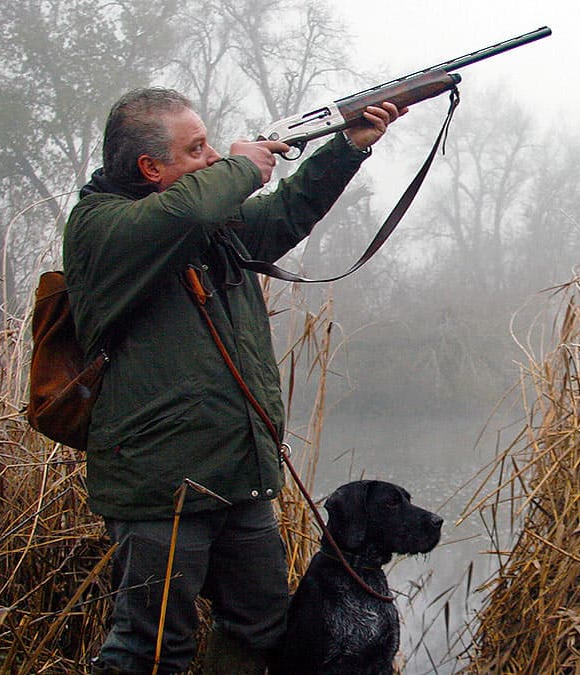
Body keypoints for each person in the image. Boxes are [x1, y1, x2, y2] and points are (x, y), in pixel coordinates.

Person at [63, 87, 402, 674]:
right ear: (150, 167)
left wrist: (347, 147)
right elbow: (188, 210)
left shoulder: (205, 222)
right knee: (149, 649)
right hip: (162, 483)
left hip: (237, 471)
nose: (213, 157)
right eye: (196, 149)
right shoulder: (104, 228)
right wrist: (247, 165)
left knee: (262, 627)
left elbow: (283, 215)